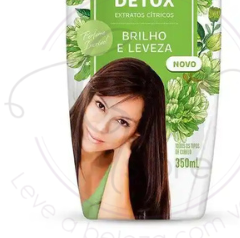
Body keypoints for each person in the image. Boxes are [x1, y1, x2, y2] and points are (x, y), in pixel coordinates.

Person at [70, 57, 171, 219]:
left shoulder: (134, 179)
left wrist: (121, 158)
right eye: (100, 106)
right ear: (88, 98)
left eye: (122, 122)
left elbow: (118, 231)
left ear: (138, 131)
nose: (101, 127)